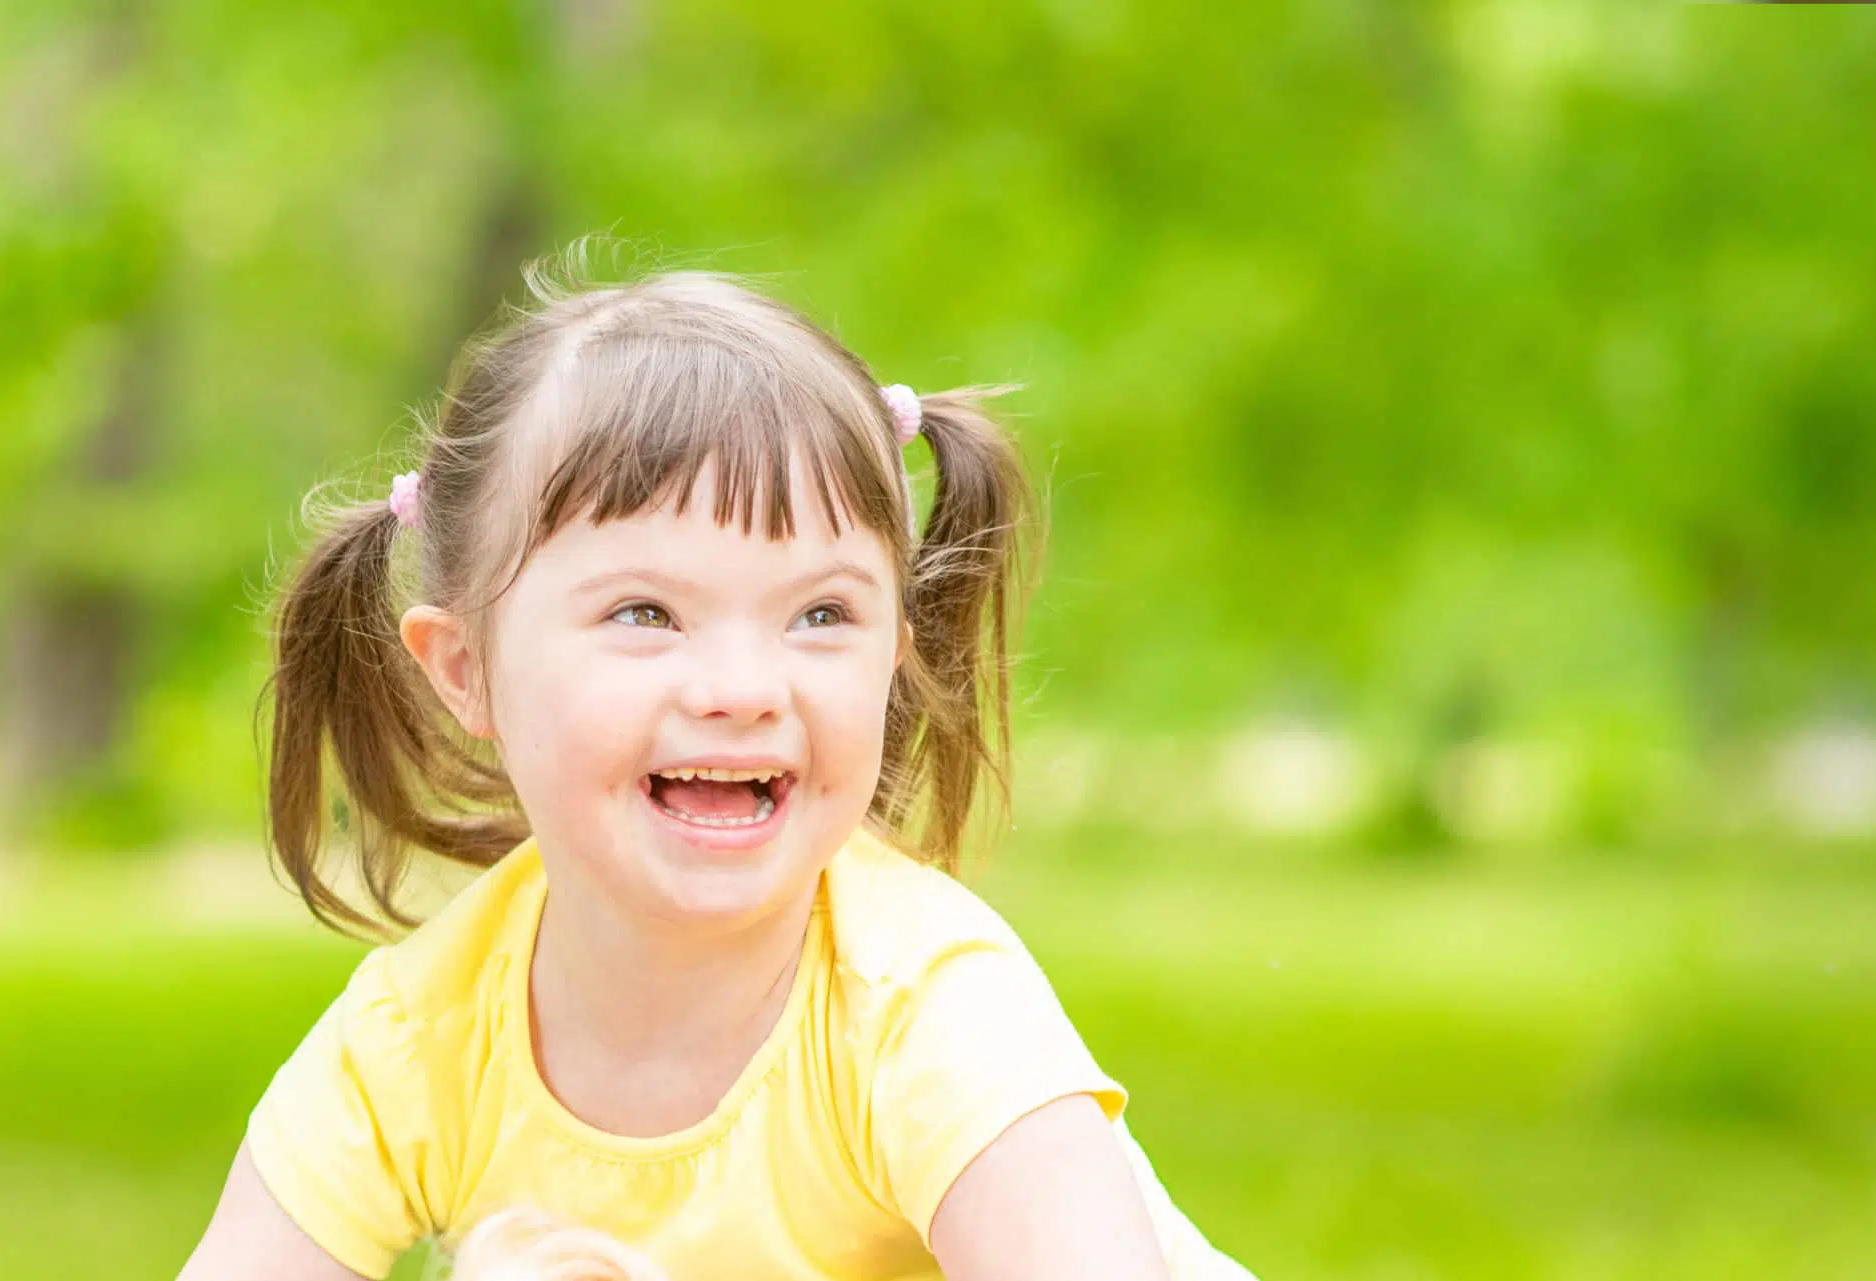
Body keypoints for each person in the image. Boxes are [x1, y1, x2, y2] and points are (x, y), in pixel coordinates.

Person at [176, 252, 1253, 1281]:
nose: (743, 686)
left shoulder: (924, 1015)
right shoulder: (418, 1045)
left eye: (820, 613)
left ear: (893, 652)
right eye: (646, 613)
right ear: (467, 670)